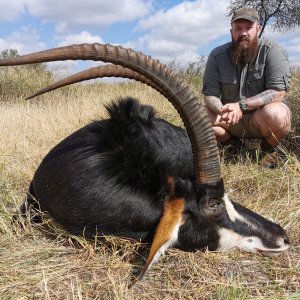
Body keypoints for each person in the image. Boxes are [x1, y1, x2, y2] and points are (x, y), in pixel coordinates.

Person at [202, 7, 291, 168]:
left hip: (260, 117)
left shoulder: (273, 50)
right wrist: (221, 108)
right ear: (231, 31)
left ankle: (268, 150)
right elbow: (210, 94)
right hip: (230, 118)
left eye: (248, 28)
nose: (243, 33)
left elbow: (278, 92)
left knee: (278, 114)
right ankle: (232, 144)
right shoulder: (216, 55)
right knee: (198, 116)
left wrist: (241, 105)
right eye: (238, 28)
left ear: (258, 28)